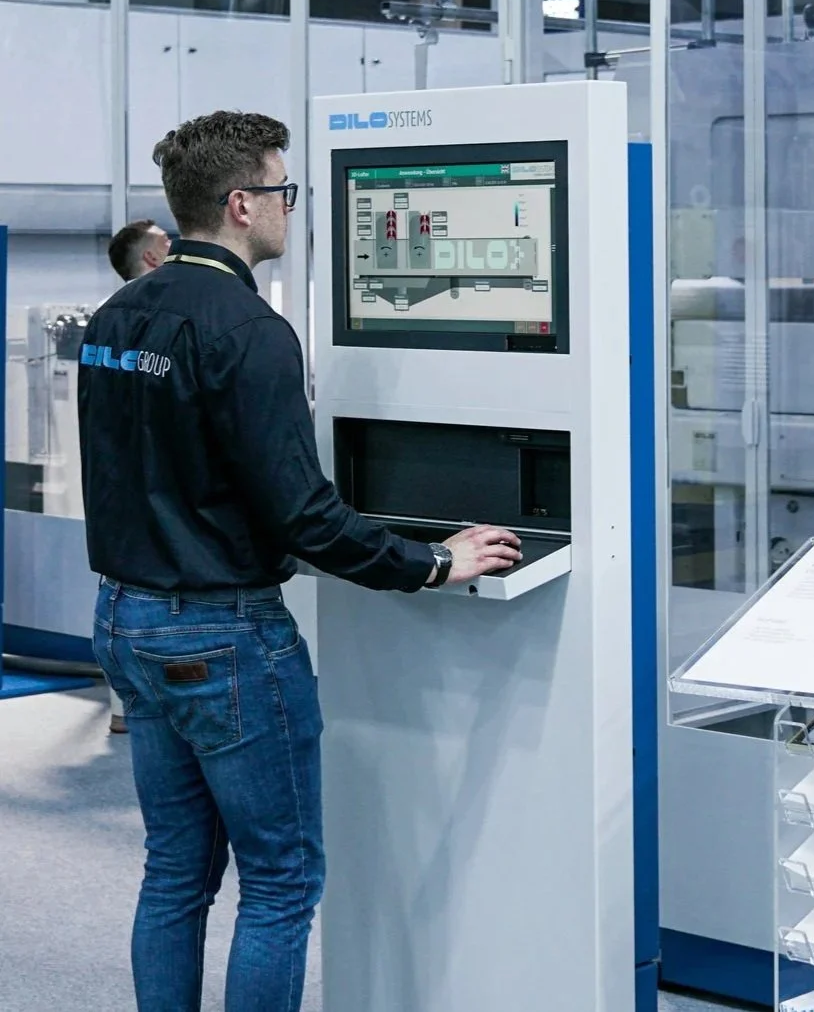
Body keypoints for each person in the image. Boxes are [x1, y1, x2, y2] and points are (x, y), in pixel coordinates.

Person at [79, 110, 521, 1012]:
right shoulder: (248, 330)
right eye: (284, 192)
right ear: (242, 205)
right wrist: (430, 564)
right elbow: (303, 514)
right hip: (224, 636)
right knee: (279, 887)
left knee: (173, 874)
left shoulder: (118, 313)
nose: (292, 208)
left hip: (126, 622)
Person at [102, 218, 174, 735]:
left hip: (122, 545)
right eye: (167, 244)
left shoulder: (108, 323)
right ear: (150, 259)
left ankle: (126, 708)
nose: (176, 247)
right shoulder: (167, 323)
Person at [107, 218, 171, 283]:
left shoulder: (127, 292)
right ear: (151, 257)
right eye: (166, 241)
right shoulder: (173, 291)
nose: (173, 244)